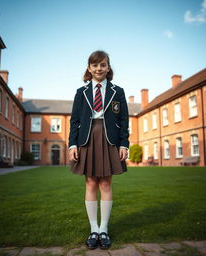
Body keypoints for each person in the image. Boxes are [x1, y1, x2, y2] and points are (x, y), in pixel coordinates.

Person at [68, 50, 129, 250]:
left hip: (109, 137)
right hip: (87, 138)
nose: (99, 68)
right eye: (95, 65)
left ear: (108, 67)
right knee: (91, 182)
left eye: (103, 65)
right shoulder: (81, 92)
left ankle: (104, 229)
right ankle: (93, 229)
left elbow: (123, 119)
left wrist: (123, 144)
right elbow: (75, 121)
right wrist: (73, 144)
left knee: (106, 183)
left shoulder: (117, 91)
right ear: (89, 68)